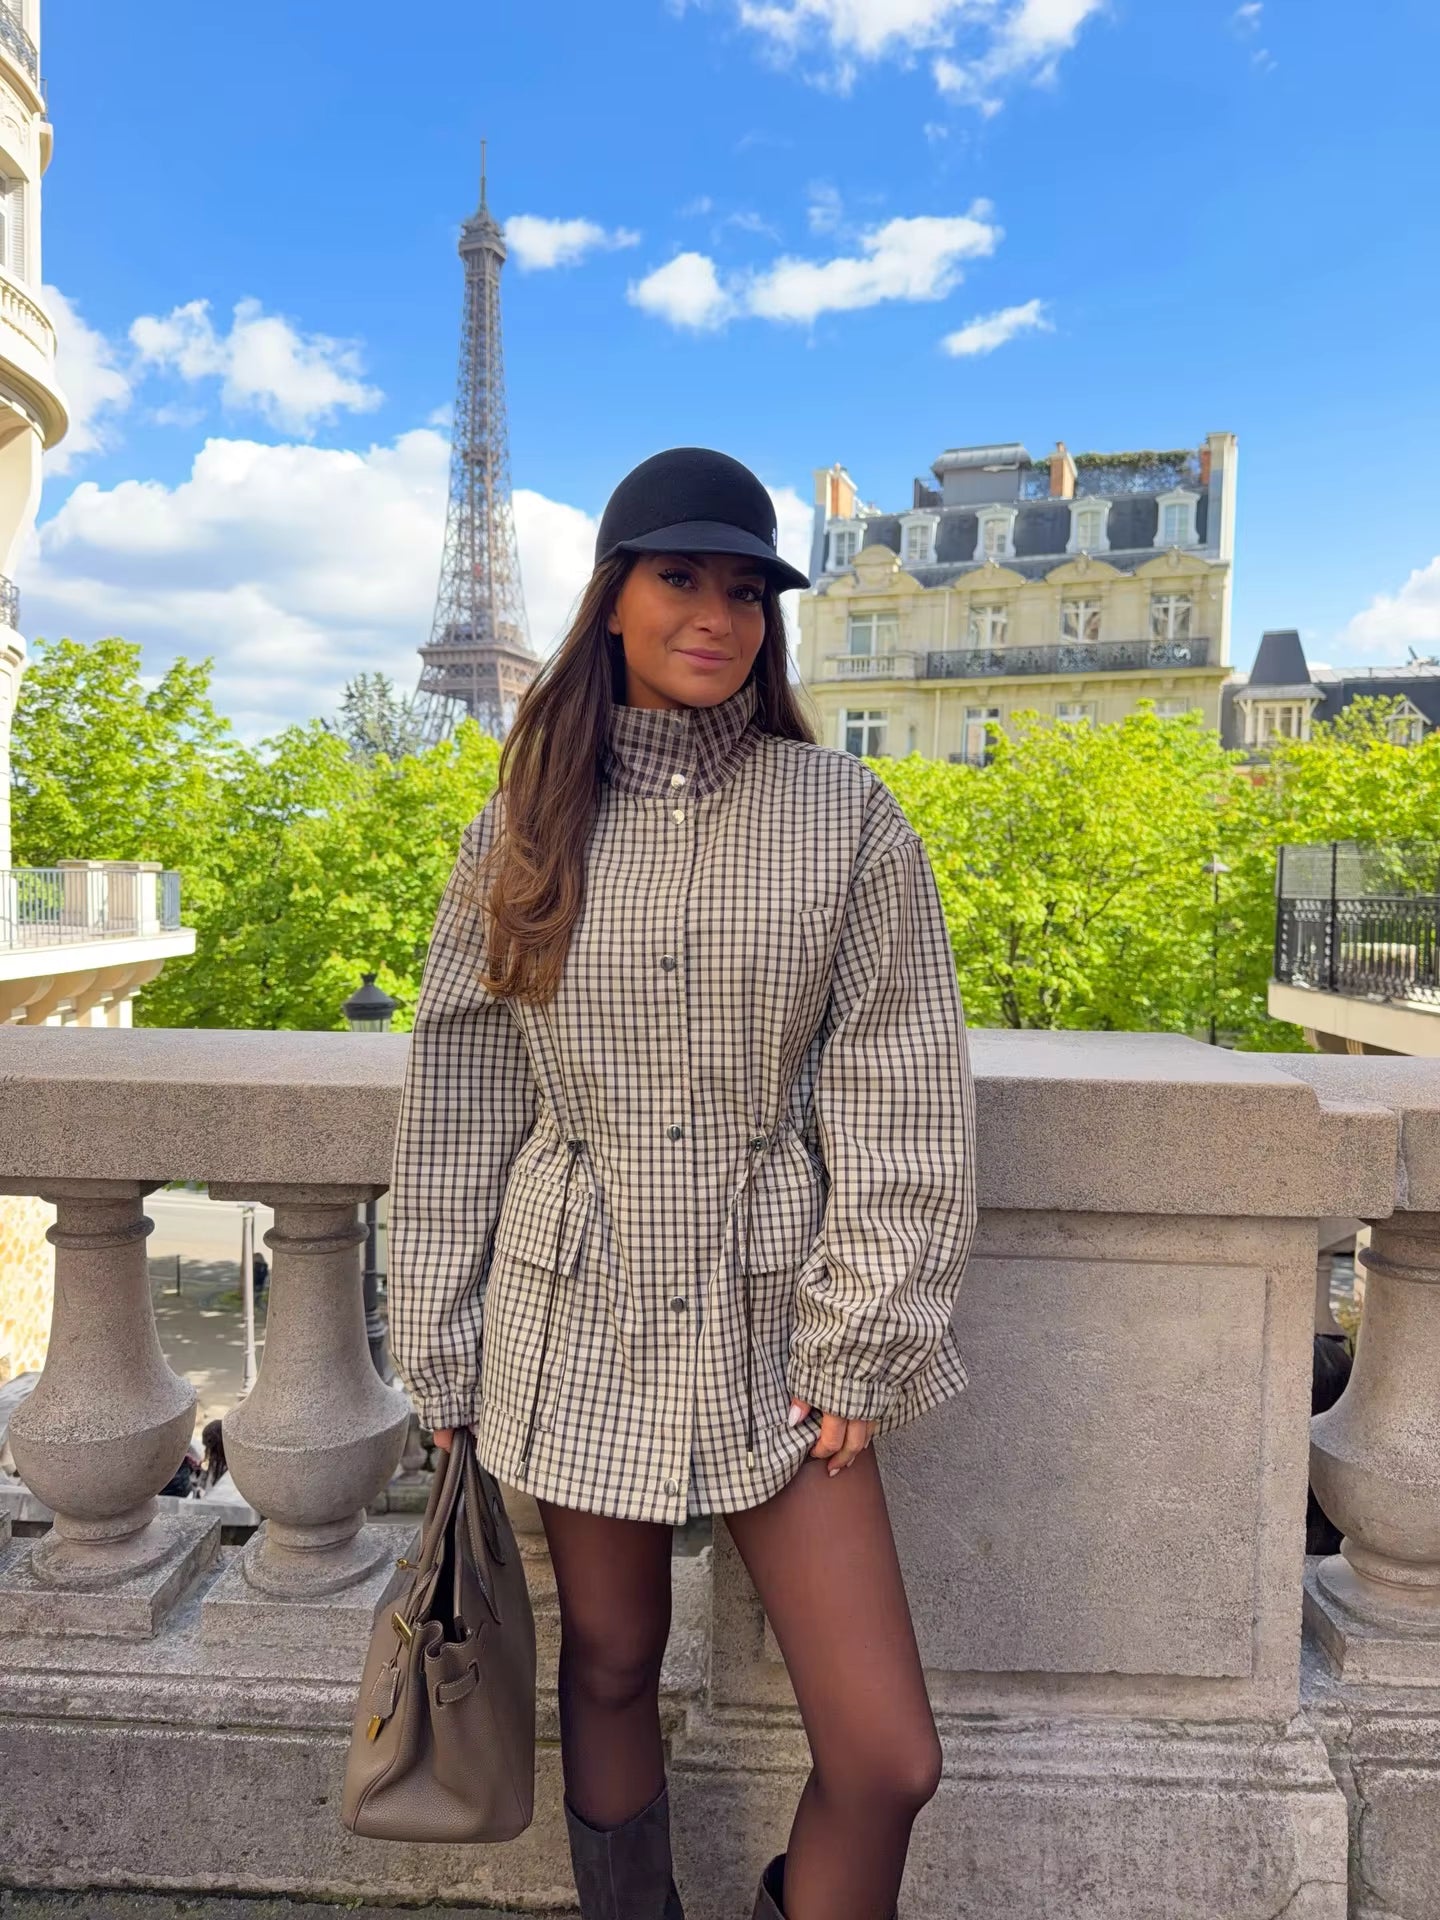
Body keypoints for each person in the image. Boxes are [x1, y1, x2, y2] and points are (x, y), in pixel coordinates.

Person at [387, 447, 978, 1920]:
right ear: (611, 599)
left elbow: (902, 1088)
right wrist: (440, 1342)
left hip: (777, 1318)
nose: (717, 616)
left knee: (887, 1755)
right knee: (607, 1662)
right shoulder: (520, 827)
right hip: (572, 1303)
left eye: (746, 590)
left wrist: (864, 1335)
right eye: (680, 578)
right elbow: (463, 1099)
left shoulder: (843, 816)